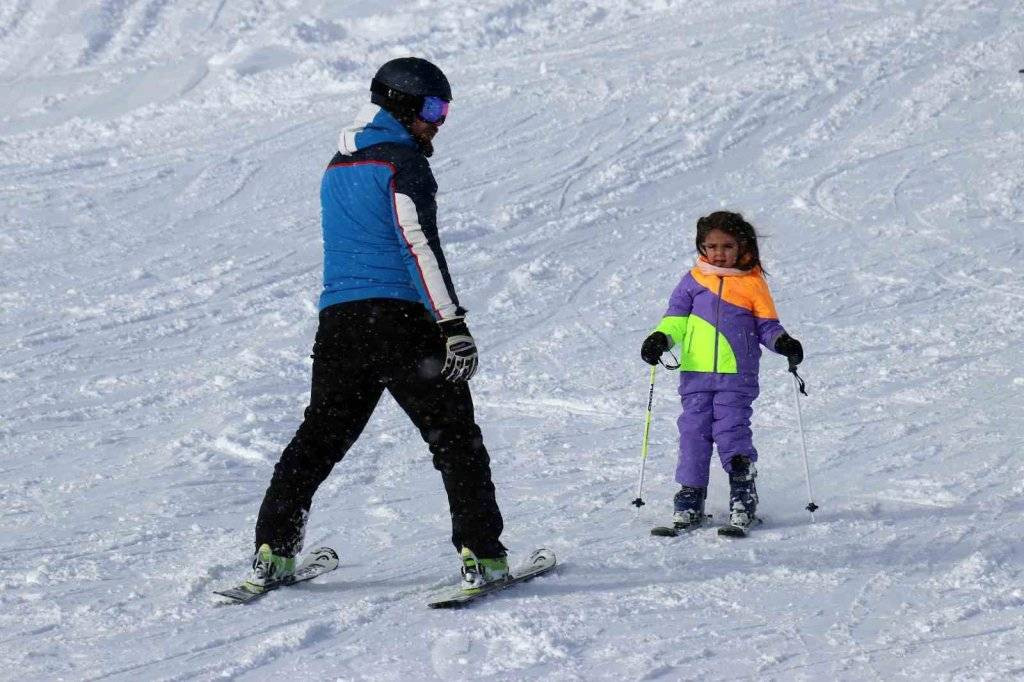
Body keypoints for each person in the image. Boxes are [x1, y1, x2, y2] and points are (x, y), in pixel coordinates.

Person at [245, 57, 508, 593]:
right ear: (404, 103)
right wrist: (452, 322)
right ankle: (484, 556)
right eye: (435, 108)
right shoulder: (402, 163)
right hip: (403, 322)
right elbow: (417, 244)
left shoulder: (337, 164)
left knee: (320, 435)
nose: (440, 121)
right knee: (455, 439)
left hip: (341, 325)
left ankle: (274, 550)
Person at [640, 211, 803, 531]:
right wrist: (661, 337)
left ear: (742, 245)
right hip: (696, 374)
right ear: (700, 246)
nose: (719, 253)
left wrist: (783, 342)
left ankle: (743, 492)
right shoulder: (692, 281)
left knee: (731, 431)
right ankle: (690, 495)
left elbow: (767, 325)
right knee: (693, 432)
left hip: (736, 375)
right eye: (711, 245)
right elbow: (676, 319)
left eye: (727, 246)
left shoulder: (753, 283)